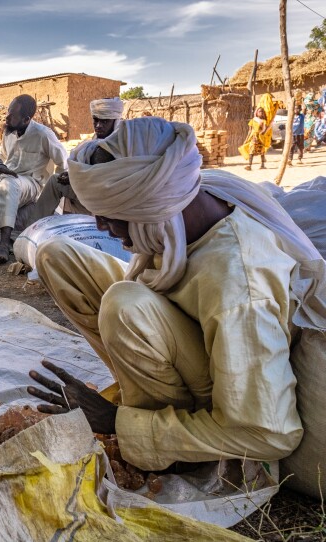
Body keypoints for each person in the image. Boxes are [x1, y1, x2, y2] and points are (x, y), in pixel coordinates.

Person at [27, 116, 324, 475]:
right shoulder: (187, 198)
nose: (101, 227)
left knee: (125, 306)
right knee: (56, 256)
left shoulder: (238, 283)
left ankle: (159, 437)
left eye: (109, 216)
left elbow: (269, 433)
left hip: (219, 385)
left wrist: (116, 421)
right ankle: (138, 387)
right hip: (187, 327)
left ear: (151, 205)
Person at [0, 95, 68, 264]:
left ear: (26, 119)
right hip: (6, 176)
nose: (7, 117)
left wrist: (55, 187)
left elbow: (63, 163)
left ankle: (4, 244)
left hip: (31, 183)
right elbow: (5, 159)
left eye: (12, 115)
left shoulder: (43, 134)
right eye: (8, 112)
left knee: (8, 186)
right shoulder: (8, 132)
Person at [239, 106, 271, 170]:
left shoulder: (263, 121)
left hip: (260, 138)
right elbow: (250, 131)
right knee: (251, 150)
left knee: (262, 151)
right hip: (253, 137)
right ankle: (249, 165)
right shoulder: (253, 120)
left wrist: (262, 131)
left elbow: (264, 130)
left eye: (262, 112)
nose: (261, 113)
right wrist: (246, 139)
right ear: (256, 113)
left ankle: (262, 165)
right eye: (259, 111)